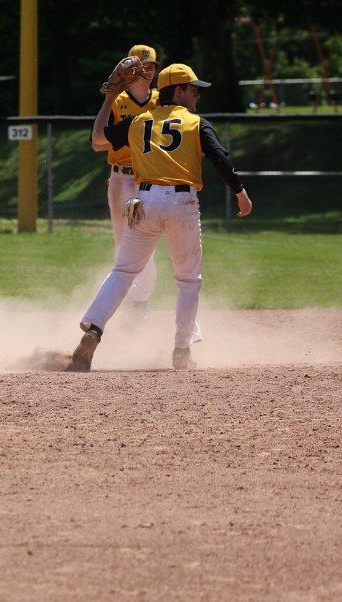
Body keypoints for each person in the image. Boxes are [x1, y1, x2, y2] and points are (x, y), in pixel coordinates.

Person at [71, 63, 253, 372]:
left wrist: (109, 98)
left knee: (123, 272)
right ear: (178, 91)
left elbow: (99, 138)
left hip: (144, 201)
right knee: (188, 280)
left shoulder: (138, 121)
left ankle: (94, 329)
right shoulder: (195, 122)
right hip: (182, 203)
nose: (197, 95)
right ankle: (181, 350)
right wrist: (240, 191)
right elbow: (220, 158)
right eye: (193, 89)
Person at [92, 44, 160, 327]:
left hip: (149, 178)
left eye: (151, 66)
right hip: (121, 178)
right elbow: (97, 143)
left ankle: (138, 301)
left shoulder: (160, 100)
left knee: (147, 243)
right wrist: (130, 139)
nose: (147, 71)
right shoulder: (117, 101)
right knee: (123, 244)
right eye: (141, 67)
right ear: (129, 70)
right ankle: (129, 301)